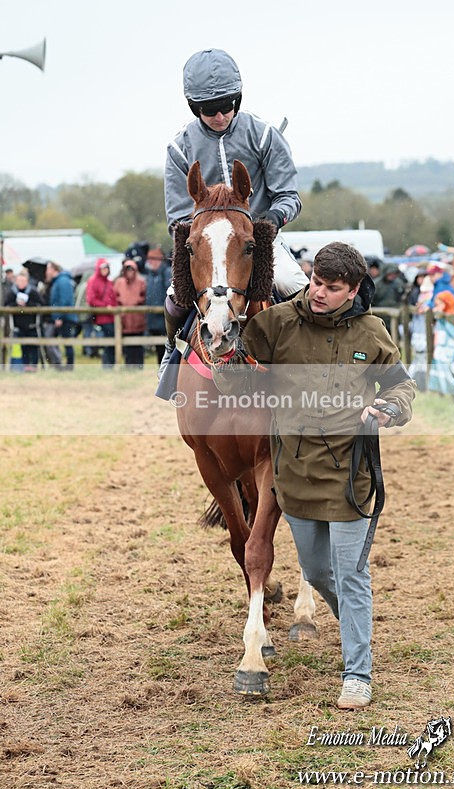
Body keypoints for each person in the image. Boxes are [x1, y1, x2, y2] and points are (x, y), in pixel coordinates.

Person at [219, 242, 415, 709]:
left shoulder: (372, 332)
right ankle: (353, 623)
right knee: (317, 572)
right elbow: (234, 361)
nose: (319, 293)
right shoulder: (280, 322)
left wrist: (389, 408)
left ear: (352, 291)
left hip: (352, 477)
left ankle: (357, 673)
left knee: (351, 574)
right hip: (295, 478)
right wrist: (226, 356)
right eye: (315, 283)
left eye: (331, 288)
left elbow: (401, 384)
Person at [162, 48, 307, 373]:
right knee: (174, 297)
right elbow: (177, 218)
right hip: (205, 246)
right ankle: (171, 355)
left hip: (260, 240)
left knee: (294, 285)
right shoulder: (179, 148)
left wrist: (269, 220)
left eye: (226, 107)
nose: (219, 116)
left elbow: (289, 196)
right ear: (194, 107)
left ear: (237, 100)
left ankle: (314, 362)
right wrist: (205, 236)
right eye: (209, 110)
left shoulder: (264, 135)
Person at [5, 269, 42, 371]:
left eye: (23, 281)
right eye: (19, 281)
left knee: (33, 345)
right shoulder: (12, 292)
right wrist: (16, 305)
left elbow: (41, 304)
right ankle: (26, 366)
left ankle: (33, 366)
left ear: (27, 281)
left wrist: (28, 305)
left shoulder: (33, 291)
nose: (21, 283)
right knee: (23, 345)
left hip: (32, 324)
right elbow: (6, 305)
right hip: (18, 324)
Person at [45, 262, 79, 371]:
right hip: (63, 317)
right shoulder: (58, 281)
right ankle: (59, 364)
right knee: (56, 341)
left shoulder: (63, 281)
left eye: (48, 269)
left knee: (67, 342)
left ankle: (69, 366)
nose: (46, 272)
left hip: (66, 318)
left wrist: (59, 317)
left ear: (54, 269)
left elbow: (64, 301)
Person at [114, 259, 146, 368]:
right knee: (126, 346)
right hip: (124, 320)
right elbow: (115, 297)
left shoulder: (141, 282)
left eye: (132, 269)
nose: (130, 272)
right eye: (127, 270)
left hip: (138, 320)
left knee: (138, 345)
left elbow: (144, 297)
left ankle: (139, 366)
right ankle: (128, 366)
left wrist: (136, 303)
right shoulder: (119, 283)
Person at [86, 258, 117, 368]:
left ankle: (111, 365)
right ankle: (107, 365)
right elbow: (91, 300)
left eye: (106, 267)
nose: (105, 270)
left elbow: (113, 299)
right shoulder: (93, 281)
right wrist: (105, 307)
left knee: (113, 342)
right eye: (103, 268)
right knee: (108, 342)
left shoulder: (109, 282)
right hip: (102, 318)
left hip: (112, 317)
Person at [144, 246, 172, 363]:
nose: (150, 261)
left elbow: (168, 295)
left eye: (153, 259)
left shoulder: (167, 273)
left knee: (166, 350)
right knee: (159, 350)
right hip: (153, 321)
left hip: (164, 319)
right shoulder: (151, 275)